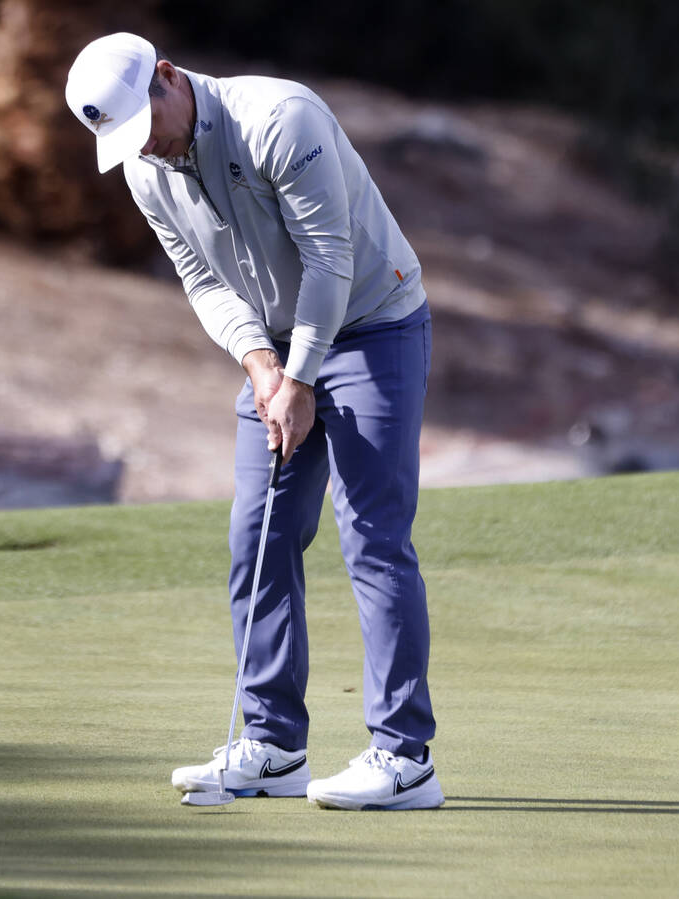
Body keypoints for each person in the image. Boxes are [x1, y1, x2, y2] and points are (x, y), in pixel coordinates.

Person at [65, 33, 442, 810]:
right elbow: (202, 278)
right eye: (131, 140)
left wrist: (300, 375)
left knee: (371, 532)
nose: (152, 147)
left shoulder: (280, 117)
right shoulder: (145, 166)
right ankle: (274, 745)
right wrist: (263, 367)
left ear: (168, 77)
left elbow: (331, 258)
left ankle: (405, 758)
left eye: (150, 123)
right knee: (258, 535)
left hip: (375, 323)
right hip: (277, 349)